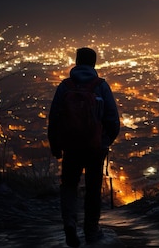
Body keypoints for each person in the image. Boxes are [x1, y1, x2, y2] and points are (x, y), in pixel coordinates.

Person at [48, 47, 120, 247]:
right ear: (94, 64)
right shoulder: (101, 86)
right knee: (93, 189)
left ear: (77, 62)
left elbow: (53, 119)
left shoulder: (65, 87)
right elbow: (113, 121)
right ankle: (91, 230)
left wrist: (56, 145)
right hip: (94, 148)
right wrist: (104, 142)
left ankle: (70, 225)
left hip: (71, 147)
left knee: (69, 187)